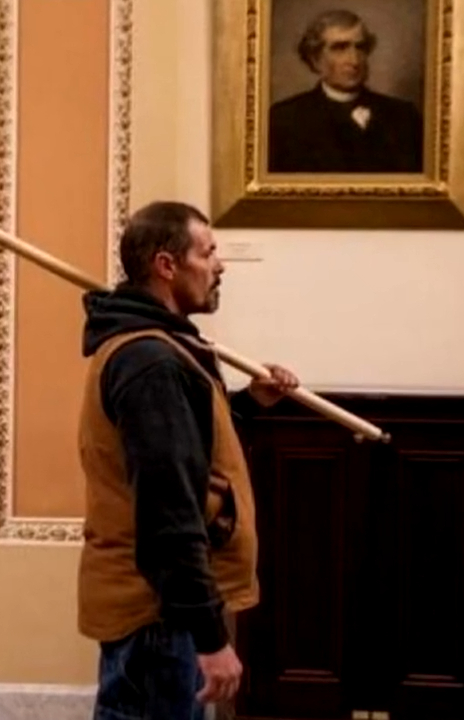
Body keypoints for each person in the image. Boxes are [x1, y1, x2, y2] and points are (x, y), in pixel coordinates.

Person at [76, 200, 299, 719]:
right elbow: (169, 510)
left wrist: (245, 403)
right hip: (160, 614)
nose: (219, 266)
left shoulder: (160, 351)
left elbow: (186, 453)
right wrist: (209, 636)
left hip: (161, 610)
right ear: (166, 265)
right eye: (209, 252)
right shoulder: (151, 361)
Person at [267, 9, 424, 174]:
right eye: (340, 48)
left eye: (360, 47)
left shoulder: (404, 116)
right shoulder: (284, 120)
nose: (354, 60)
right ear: (315, 59)